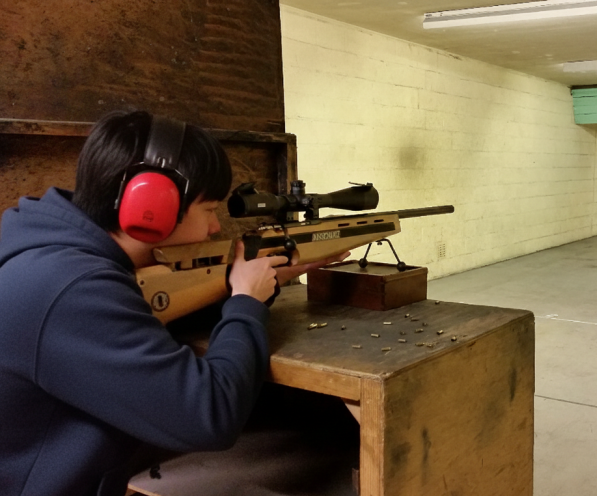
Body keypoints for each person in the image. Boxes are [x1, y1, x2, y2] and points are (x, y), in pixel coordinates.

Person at [0, 111, 342, 495]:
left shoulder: (50, 249)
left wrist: (262, 281)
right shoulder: (72, 288)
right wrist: (247, 302)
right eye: (209, 209)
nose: (215, 228)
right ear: (151, 206)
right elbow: (211, 416)